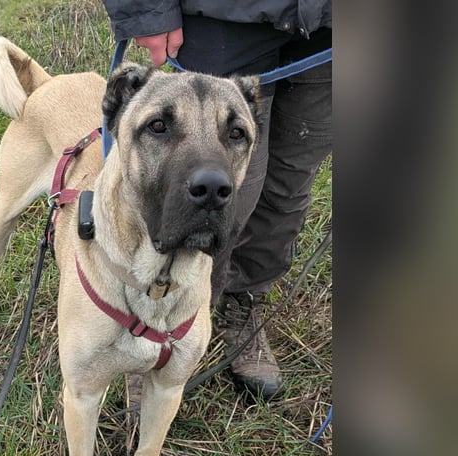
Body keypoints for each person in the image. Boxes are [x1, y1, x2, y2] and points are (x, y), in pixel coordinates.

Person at [102, 0, 332, 399]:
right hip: (221, 15)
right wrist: (146, 10)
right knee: (209, 180)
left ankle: (243, 302)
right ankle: (149, 330)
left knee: (288, 185)